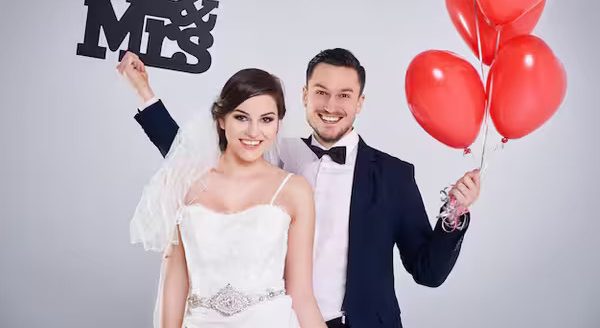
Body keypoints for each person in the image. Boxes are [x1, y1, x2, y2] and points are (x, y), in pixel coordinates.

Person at [119, 48, 480, 328]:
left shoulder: (394, 176)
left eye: (344, 95)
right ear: (305, 95)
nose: (331, 106)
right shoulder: (270, 151)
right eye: (321, 92)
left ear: (360, 102)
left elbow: (427, 271)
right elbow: (196, 160)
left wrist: (455, 213)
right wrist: (145, 94)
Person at [128, 66, 327, 328]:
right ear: (222, 120)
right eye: (241, 118)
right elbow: (174, 281)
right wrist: (143, 89)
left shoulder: (295, 191)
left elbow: (301, 295)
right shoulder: (186, 182)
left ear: (278, 124)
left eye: (266, 119)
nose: (254, 132)